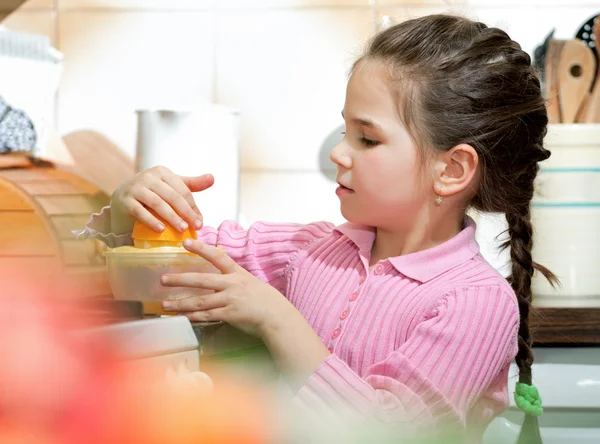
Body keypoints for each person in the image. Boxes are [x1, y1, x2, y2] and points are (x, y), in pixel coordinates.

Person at [77, 14, 556, 443]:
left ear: (451, 170)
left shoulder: (475, 303)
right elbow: (164, 265)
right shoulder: (307, 251)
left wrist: (277, 319)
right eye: (345, 131)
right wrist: (130, 215)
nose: (339, 153)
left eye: (367, 139)